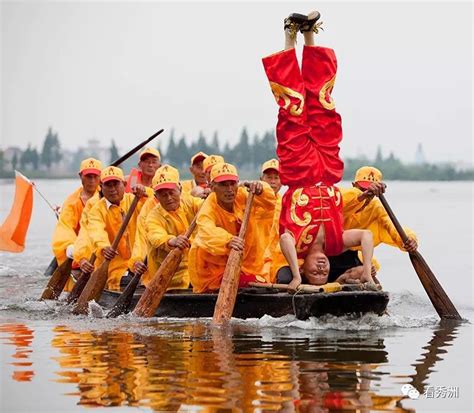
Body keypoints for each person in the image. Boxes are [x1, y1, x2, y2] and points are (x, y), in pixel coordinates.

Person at [262, 11, 377, 291]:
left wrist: (297, 276)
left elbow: (284, 239)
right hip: (328, 171)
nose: (321, 269)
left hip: (299, 171)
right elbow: (366, 236)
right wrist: (368, 273)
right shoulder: (336, 243)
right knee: (324, 104)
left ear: (304, 265)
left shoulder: (297, 244)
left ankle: (290, 35)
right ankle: (310, 35)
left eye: (315, 273)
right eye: (321, 275)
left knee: (293, 107)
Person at [188, 162, 277, 293]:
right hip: (211, 271)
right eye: (223, 185)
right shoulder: (207, 208)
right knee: (255, 286)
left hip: (244, 265)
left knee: (262, 284)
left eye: (232, 183)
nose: (229, 189)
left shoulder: (243, 195)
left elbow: (270, 202)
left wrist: (261, 189)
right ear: (212, 186)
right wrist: (228, 240)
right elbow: (207, 232)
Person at [136, 165, 202, 288]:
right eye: (163, 195)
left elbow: (209, 207)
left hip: (193, 275)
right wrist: (172, 241)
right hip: (167, 280)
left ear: (180, 190)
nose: (169, 198)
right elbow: (155, 237)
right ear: (156, 197)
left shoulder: (191, 203)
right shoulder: (153, 216)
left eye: (172, 192)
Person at [87, 166, 146, 290]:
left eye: (116, 184)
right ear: (101, 187)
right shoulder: (96, 211)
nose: (112, 189)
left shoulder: (137, 199)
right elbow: (96, 232)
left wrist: (145, 190)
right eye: (108, 185)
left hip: (140, 262)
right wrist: (104, 247)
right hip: (114, 267)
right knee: (128, 281)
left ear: (124, 184)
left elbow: (158, 199)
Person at [51, 158, 102, 290]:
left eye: (95, 176)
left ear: (100, 177)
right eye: (88, 176)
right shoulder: (71, 202)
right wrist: (71, 248)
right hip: (80, 251)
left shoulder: (108, 195)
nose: (92, 180)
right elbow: (64, 228)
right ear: (80, 176)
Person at [341, 166, 418, 252]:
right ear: (354, 185)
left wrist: (409, 238)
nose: (367, 194)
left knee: (373, 264)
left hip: (350, 252)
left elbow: (391, 225)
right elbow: (338, 201)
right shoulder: (341, 196)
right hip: (327, 246)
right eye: (362, 189)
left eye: (371, 192)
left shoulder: (376, 208)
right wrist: (361, 196)